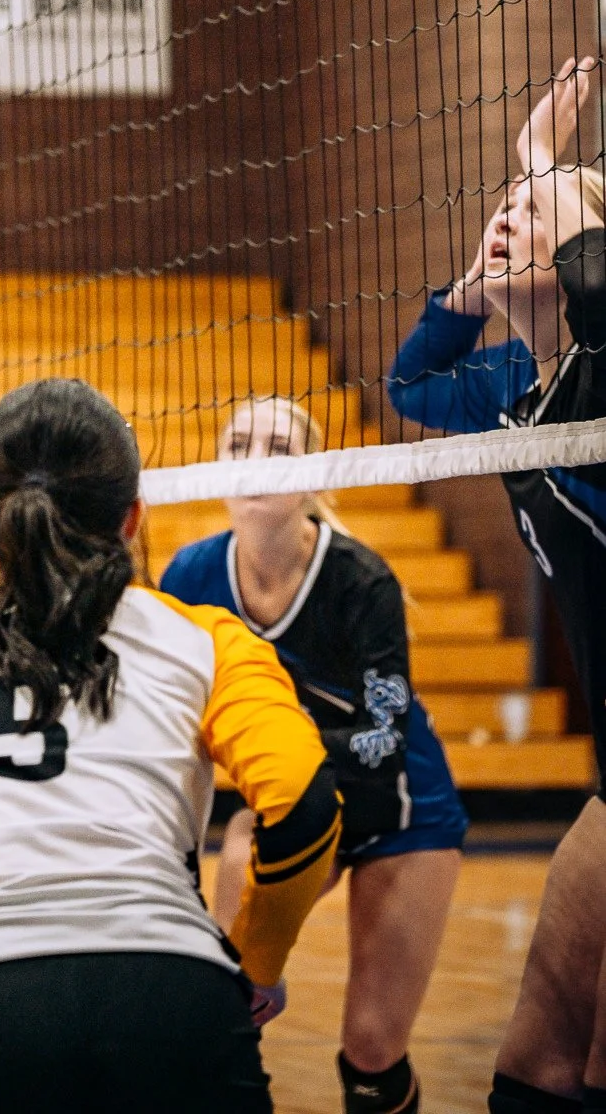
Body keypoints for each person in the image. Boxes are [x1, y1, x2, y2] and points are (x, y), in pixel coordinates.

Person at [0, 377, 342, 1114]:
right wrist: (256, 961)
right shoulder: (209, 644)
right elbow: (304, 807)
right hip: (170, 1002)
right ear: (131, 519)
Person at [386, 58, 606, 1114]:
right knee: (532, 1066)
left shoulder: (605, 362)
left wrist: (541, 158)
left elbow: (598, 284)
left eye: (532, 210)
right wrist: (470, 292)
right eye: (504, 207)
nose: (509, 215)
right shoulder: (512, 384)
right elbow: (410, 384)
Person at [160, 399, 466, 1114]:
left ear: (315, 470)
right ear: (215, 465)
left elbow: (382, 740)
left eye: (278, 444)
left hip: (402, 811)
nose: (255, 457)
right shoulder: (189, 577)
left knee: (370, 1050)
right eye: (238, 442)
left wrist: (272, 741)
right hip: (294, 804)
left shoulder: (360, 579)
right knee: (223, 1009)